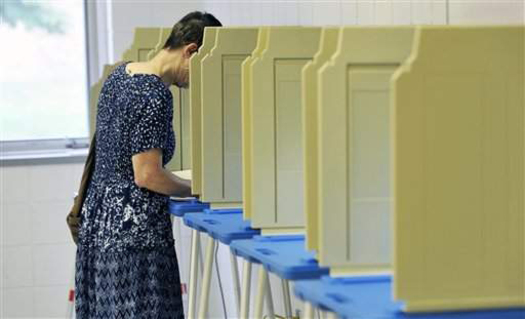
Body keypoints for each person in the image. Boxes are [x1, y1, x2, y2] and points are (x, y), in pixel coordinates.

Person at [75, 11, 222, 318]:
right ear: (191, 51)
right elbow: (147, 176)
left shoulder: (119, 76)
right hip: (135, 241)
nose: (203, 80)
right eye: (205, 68)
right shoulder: (154, 94)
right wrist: (199, 187)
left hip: (97, 228)